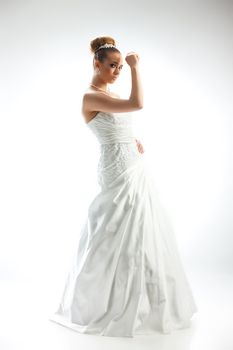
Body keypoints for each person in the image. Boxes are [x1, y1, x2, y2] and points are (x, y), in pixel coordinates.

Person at [49, 36, 198, 338]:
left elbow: (120, 122)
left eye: (120, 66)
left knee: (144, 229)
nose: (117, 70)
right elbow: (136, 104)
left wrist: (131, 139)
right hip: (116, 170)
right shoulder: (89, 97)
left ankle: (148, 302)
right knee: (113, 228)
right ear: (97, 64)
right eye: (113, 66)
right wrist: (135, 68)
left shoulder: (108, 94)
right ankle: (100, 301)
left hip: (134, 165)